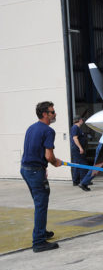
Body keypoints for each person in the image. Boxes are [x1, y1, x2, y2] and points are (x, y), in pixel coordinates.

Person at [20, 101, 63, 252]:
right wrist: (54, 162)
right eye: (52, 112)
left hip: (26, 169)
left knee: (39, 202)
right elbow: (49, 155)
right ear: (45, 114)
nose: (55, 114)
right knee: (41, 204)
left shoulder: (31, 128)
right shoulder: (48, 131)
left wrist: (43, 165)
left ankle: (41, 230)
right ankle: (38, 241)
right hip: (34, 171)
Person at [70, 116, 87, 186]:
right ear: (79, 120)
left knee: (77, 164)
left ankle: (76, 181)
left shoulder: (77, 128)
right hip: (77, 149)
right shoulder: (75, 128)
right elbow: (75, 138)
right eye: (82, 120)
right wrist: (80, 148)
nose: (82, 121)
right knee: (83, 164)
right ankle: (83, 181)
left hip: (77, 149)